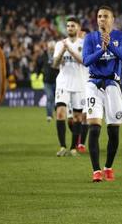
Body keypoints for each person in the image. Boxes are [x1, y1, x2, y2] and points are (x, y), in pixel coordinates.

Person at [83, 6, 122, 182]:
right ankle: (96, 170)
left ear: (112, 19)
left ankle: (108, 166)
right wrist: (101, 51)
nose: (102, 19)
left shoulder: (120, 36)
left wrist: (109, 45)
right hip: (93, 84)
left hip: (112, 85)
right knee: (94, 128)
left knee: (114, 131)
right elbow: (86, 61)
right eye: (99, 16)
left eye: (105, 16)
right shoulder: (90, 38)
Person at [52, 17, 86, 157]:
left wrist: (70, 50)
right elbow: (54, 64)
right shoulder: (60, 44)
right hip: (63, 83)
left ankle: (73, 147)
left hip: (79, 83)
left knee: (77, 117)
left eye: (72, 25)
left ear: (78, 28)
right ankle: (62, 146)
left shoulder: (84, 44)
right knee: (60, 113)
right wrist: (62, 51)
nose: (70, 28)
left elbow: (85, 62)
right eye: (68, 26)